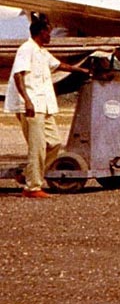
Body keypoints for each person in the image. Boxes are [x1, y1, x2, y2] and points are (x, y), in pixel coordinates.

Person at [4, 14, 90, 198]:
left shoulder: (42, 52)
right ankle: (32, 187)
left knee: (55, 143)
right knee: (37, 146)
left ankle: (29, 175)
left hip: (44, 106)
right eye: (48, 33)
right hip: (31, 105)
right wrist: (27, 100)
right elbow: (18, 75)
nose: (51, 36)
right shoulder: (26, 49)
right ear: (41, 33)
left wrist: (82, 69)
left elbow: (59, 65)